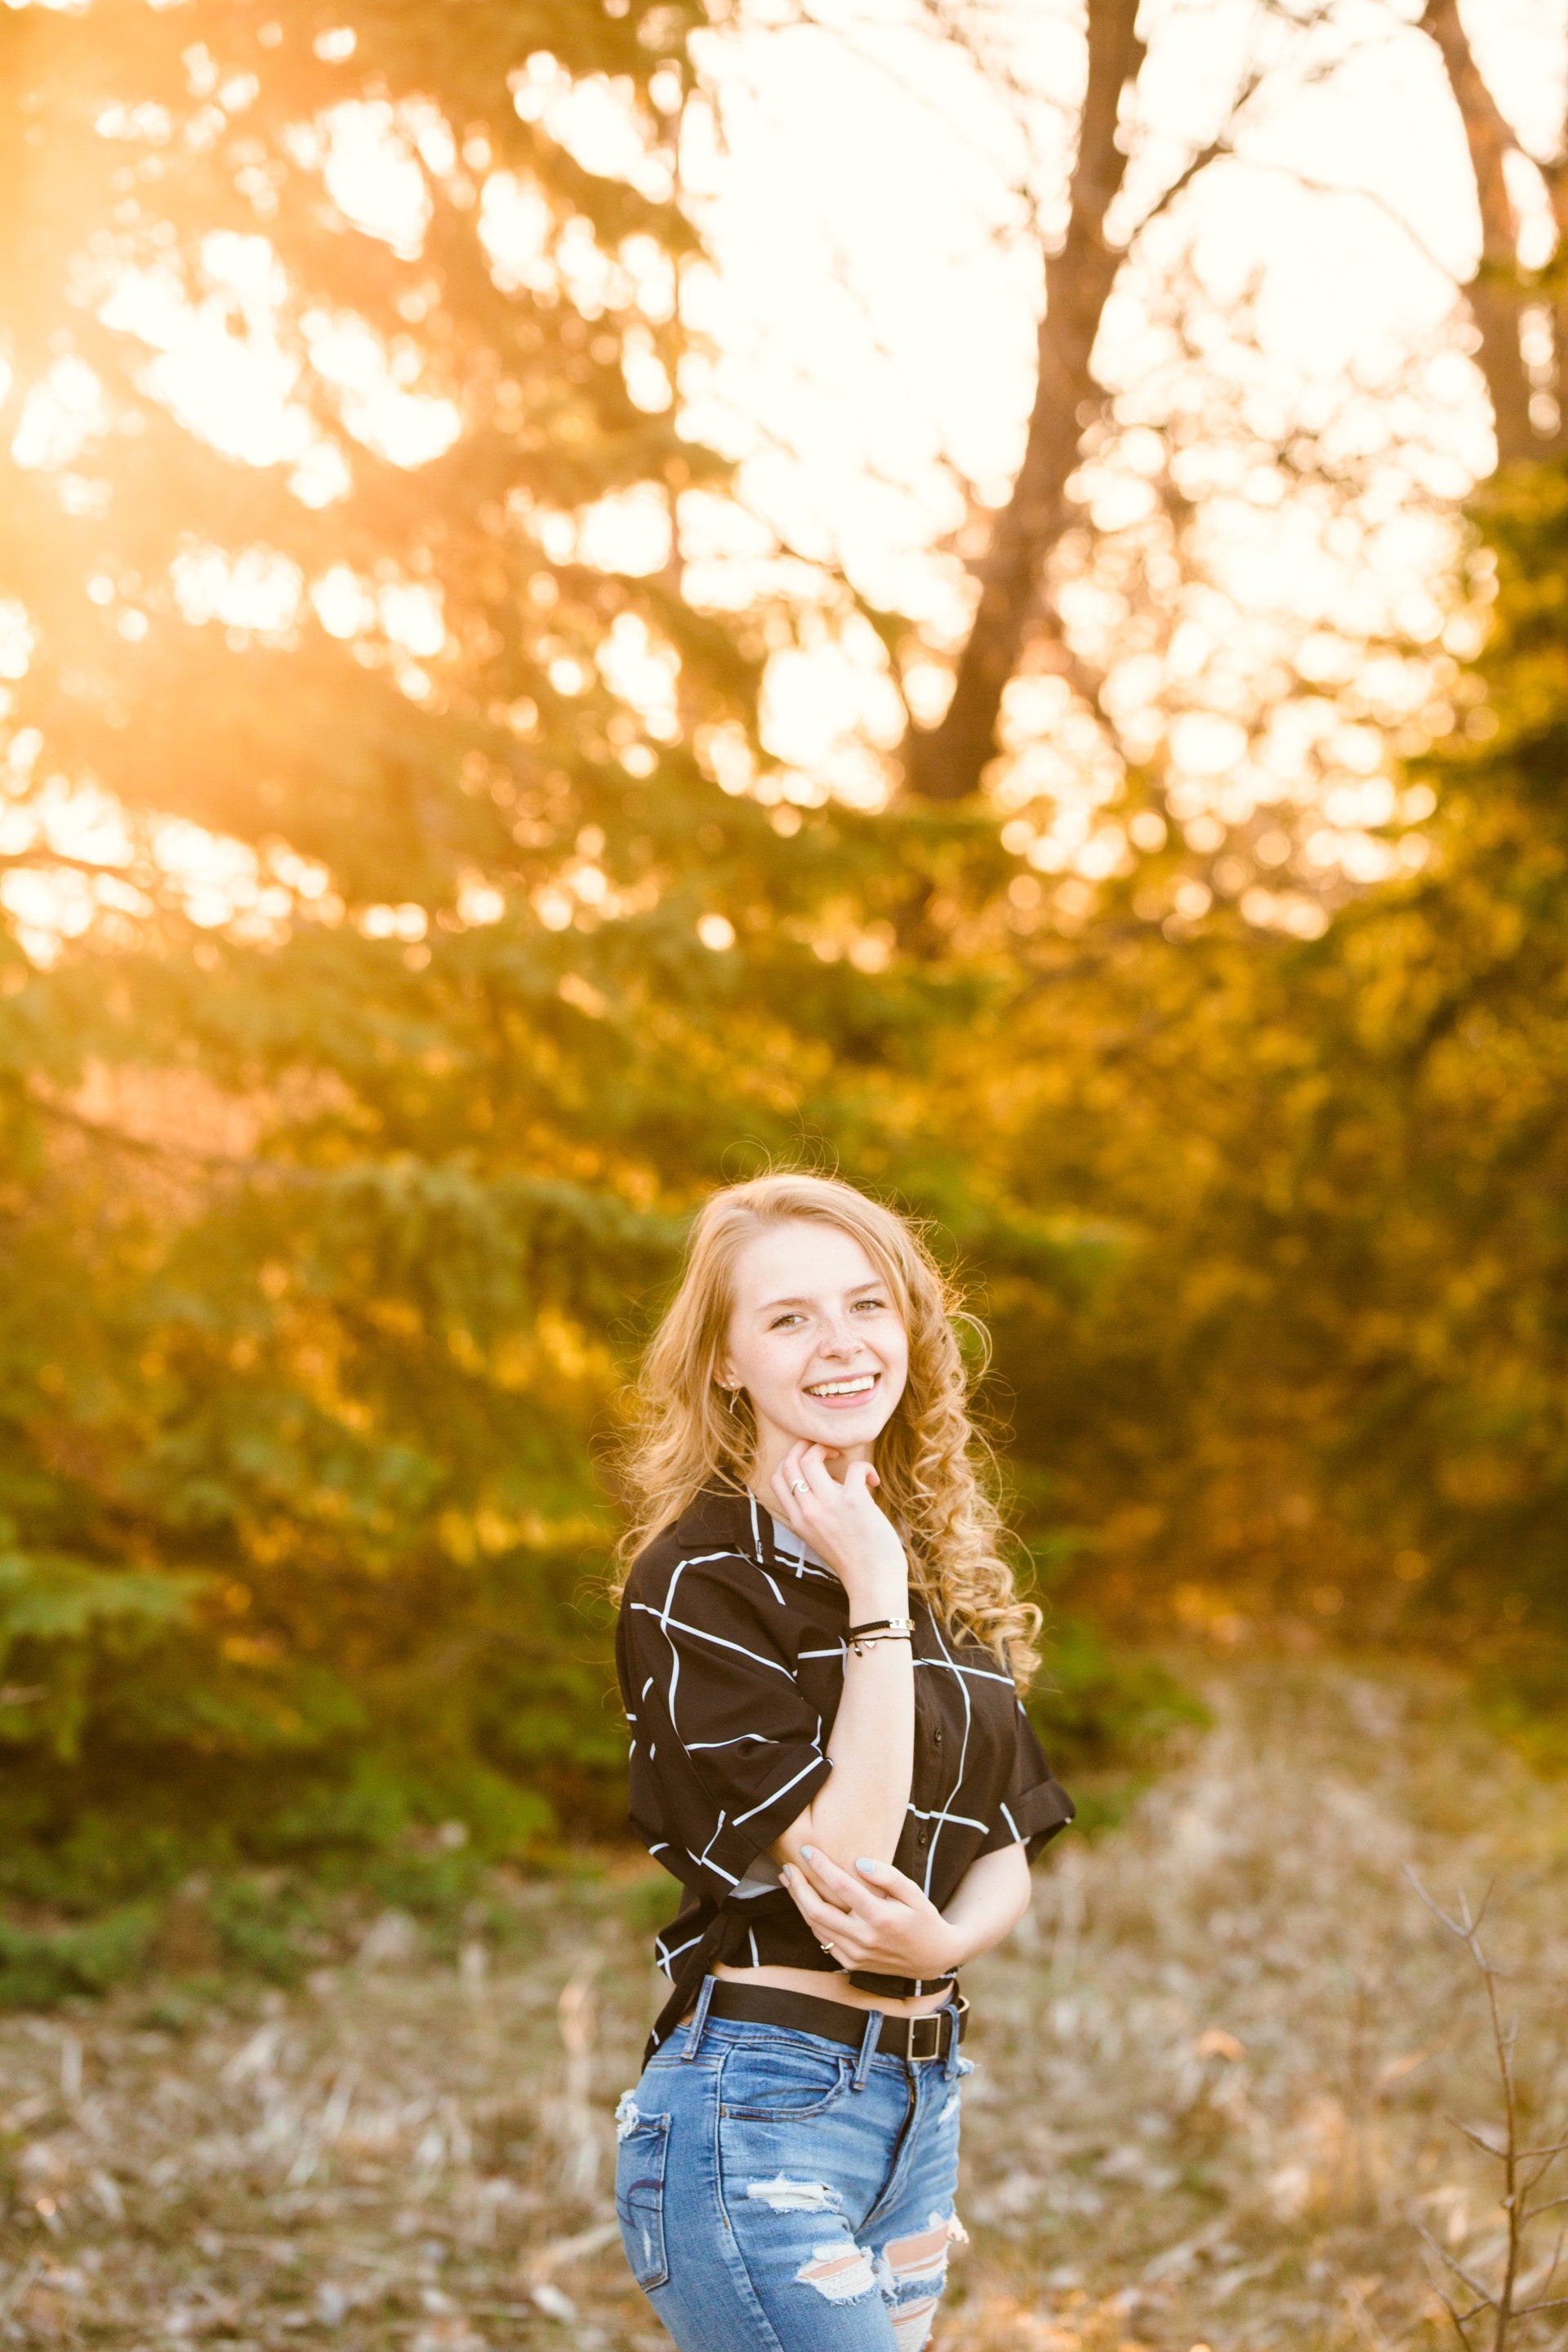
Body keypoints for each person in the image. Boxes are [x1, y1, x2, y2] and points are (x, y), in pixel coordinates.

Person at [608, 1169, 1074, 2350]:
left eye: (867, 1305)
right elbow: (850, 1862)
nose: (842, 1345)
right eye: (789, 1317)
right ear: (725, 1361)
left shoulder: (931, 1570)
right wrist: (872, 1595)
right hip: (759, 2113)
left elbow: (1012, 1837)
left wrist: (954, 1942)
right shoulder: (697, 1585)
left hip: (918, 2113)